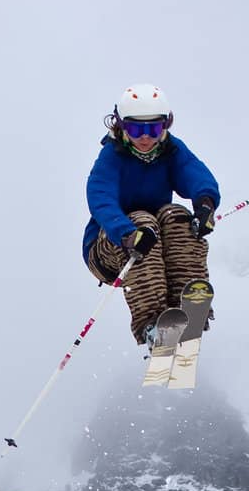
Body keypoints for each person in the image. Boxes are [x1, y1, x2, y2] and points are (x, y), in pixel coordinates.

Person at [82, 84, 220, 346]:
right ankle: (152, 324)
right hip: (110, 248)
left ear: (165, 126)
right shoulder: (112, 156)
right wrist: (126, 233)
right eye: (135, 129)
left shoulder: (171, 150)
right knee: (143, 223)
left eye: (153, 129)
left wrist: (204, 206)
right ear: (121, 127)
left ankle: (185, 306)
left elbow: (195, 174)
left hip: (155, 243)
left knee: (178, 216)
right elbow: (101, 199)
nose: (145, 137)